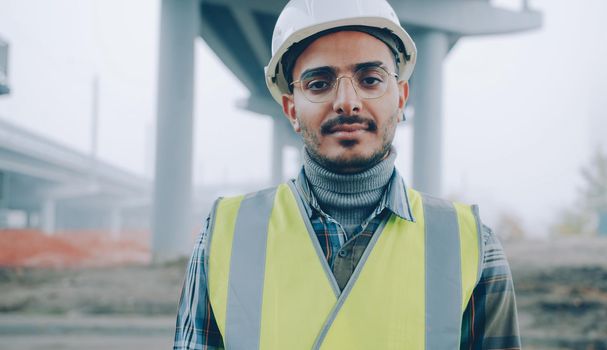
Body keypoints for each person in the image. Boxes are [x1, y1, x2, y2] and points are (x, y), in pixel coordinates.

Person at [174, 0, 520, 349]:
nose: (346, 102)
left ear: (400, 99)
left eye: (370, 79)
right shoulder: (224, 236)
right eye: (319, 83)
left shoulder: (472, 246)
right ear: (291, 109)